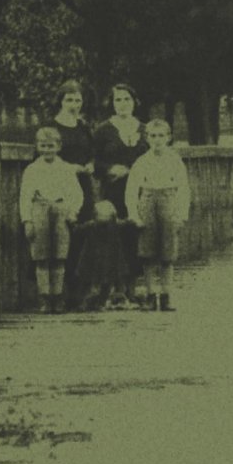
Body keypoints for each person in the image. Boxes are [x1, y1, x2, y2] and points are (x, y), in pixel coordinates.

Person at [42, 81, 101, 310]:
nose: (74, 104)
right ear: (60, 101)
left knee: (83, 234)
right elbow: (43, 155)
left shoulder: (83, 127)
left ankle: (81, 292)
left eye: (77, 100)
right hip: (59, 185)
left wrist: (90, 164)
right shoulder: (51, 126)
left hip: (82, 186)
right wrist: (69, 168)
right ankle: (59, 293)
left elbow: (92, 152)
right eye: (69, 100)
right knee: (61, 235)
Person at [92, 83, 149, 310]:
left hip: (141, 191)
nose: (123, 104)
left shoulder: (145, 129)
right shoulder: (103, 130)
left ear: (135, 102)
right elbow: (93, 162)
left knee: (135, 235)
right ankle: (115, 290)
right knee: (114, 235)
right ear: (112, 103)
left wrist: (137, 173)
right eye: (118, 100)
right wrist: (109, 169)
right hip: (114, 190)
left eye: (127, 99)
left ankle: (132, 289)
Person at [126, 118, 192, 312]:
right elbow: (132, 190)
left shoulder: (174, 160)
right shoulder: (142, 161)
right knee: (147, 252)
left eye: (161, 136)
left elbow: (184, 188)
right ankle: (150, 294)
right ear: (147, 138)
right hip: (147, 201)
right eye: (153, 136)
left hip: (169, 200)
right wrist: (134, 214)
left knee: (167, 252)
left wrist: (182, 214)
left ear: (169, 137)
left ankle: (166, 295)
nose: (157, 140)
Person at [21, 126, 85, 313]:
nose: (47, 150)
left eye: (51, 146)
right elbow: (25, 196)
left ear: (59, 146)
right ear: (37, 146)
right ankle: (44, 298)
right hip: (39, 209)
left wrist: (73, 211)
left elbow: (76, 194)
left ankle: (58, 297)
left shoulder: (65, 169)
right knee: (41, 257)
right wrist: (27, 220)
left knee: (59, 256)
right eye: (43, 146)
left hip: (61, 210)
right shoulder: (32, 169)